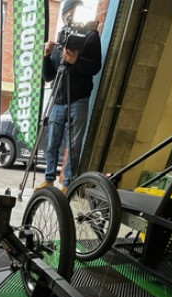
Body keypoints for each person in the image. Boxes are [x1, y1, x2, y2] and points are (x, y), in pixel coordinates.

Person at [36, 2, 101, 193]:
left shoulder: (90, 37)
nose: (71, 17)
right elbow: (49, 76)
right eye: (69, 14)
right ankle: (48, 180)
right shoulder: (59, 41)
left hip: (78, 99)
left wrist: (75, 60)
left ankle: (67, 185)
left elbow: (95, 67)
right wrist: (47, 57)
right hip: (58, 100)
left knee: (73, 146)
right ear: (64, 16)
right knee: (52, 144)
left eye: (75, 13)